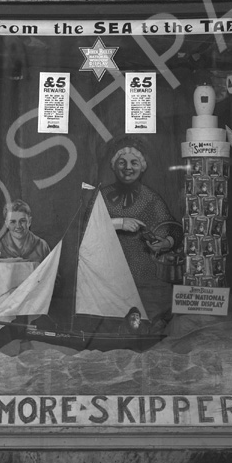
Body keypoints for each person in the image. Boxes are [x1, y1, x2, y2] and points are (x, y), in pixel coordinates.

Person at [101, 138, 183, 325]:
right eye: (122, 162)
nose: (127, 167)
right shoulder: (102, 197)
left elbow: (174, 229)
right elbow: (87, 227)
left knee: (144, 321)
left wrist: (166, 242)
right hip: (108, 277)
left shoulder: (151, 199)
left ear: (142, 167)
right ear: (114, 166)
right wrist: (119, 223)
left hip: (144, 278)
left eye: (134, 162)